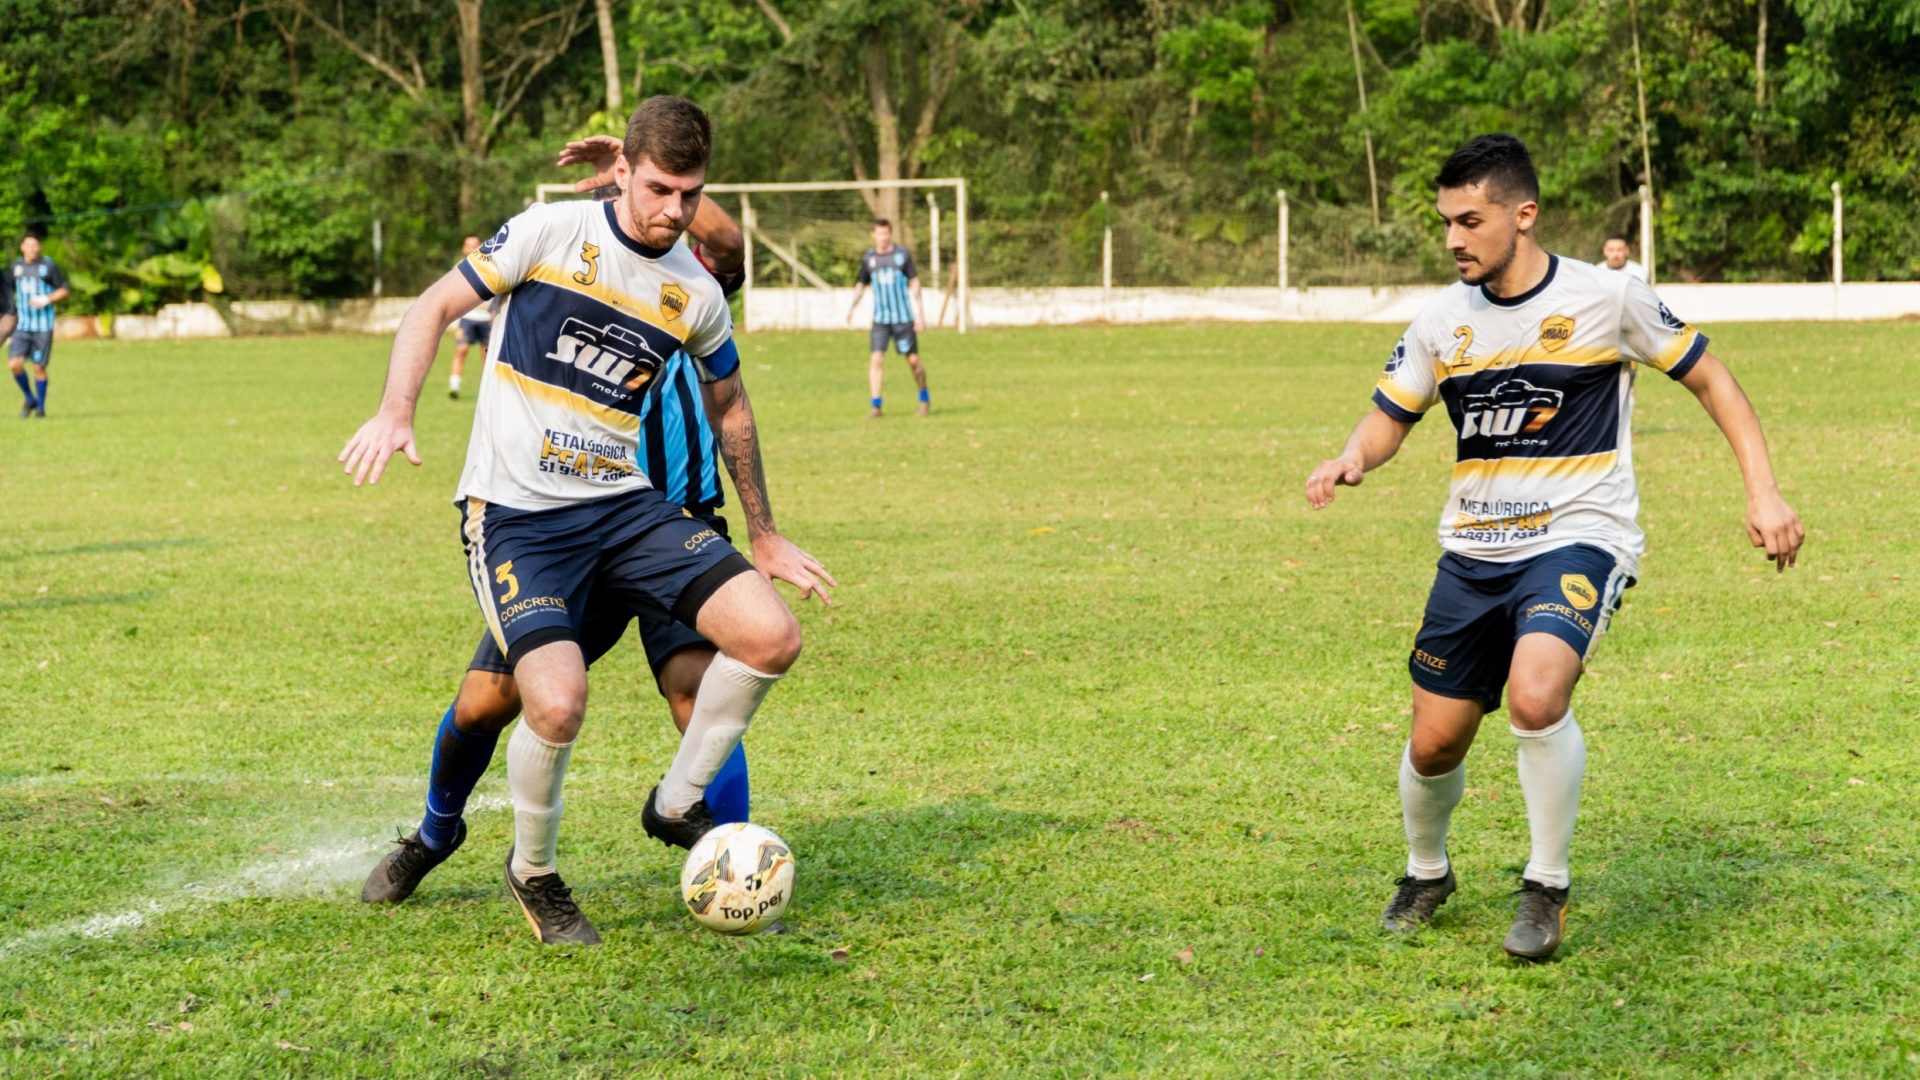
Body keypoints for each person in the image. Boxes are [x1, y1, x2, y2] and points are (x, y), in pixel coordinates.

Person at [340, 96, 828, 946]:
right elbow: (430, 309)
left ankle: (680, 807)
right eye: (660, 190)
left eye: (691, 193)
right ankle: (501, 859)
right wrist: (395, 410)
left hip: (631, 508)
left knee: (771, 636)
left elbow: (732, 403)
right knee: (530, 704)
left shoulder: (695, 288)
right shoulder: (548, 233)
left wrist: (767, 531)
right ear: (622, 173)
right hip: (520, 519)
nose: (675, 211)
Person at [1304, 134, 1803, 961]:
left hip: (1580, 535)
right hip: (1472, 551)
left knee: (1537, 695)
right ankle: (1427, 871)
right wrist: (1354, 455)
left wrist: (1763, 490)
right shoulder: (1440, 321)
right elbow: (1390, 415)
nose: (1455, 239)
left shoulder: (1608, 299)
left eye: (1471, 220)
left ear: (1523, 215)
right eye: (1446, 224)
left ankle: (1546, 887)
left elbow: (1712, 378)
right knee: (1435, 741)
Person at [844, 219, 929, 418]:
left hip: (903, 319)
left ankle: (924, 398)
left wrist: (920, 315)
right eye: (879, 234)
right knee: (876, 359)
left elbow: (915, 283)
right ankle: (876, 406)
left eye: (886, 233)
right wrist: (851, 308)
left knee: (913, 360)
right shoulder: (869, 259)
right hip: (880, 320)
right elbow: (860, 285)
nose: (883, 237)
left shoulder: (902, 256)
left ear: (890, 234)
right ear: (873, 235)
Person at [10, 234, 69, 418]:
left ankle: (41, 408)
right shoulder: (16, 267)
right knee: (14, 364)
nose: (32, 249)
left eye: (35, 245)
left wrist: (47, 299)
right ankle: (30, 398)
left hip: (43, 326)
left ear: (39, 247)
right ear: (22, 247)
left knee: (38, 367)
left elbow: (64, 289)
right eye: (29, 245)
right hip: (22, 325)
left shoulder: (48, 266)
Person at [448, 236, 502, 399]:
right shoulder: (458, 268)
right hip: (468, 317)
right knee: (461, 349)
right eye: (468, 246)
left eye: (475, 246)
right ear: (464, 249)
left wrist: (494, 311)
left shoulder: (492, 267)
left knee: (486, 355)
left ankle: (488, 391)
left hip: (486, 319)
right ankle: (454, 386)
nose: (472, 249)